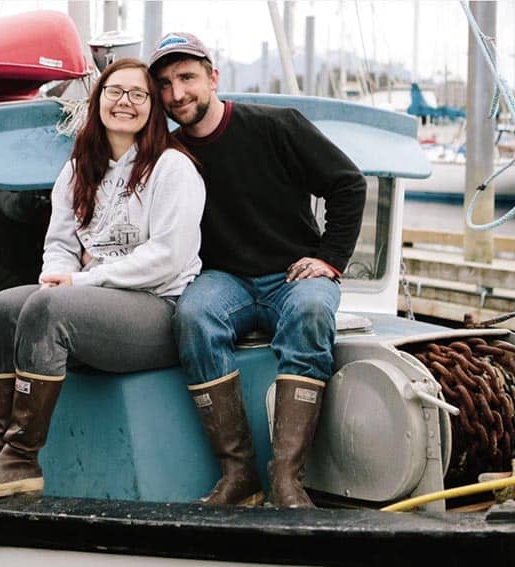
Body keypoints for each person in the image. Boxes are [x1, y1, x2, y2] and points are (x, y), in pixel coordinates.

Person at [0, 58, 205, 498]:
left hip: (156, 310)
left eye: (138, 94)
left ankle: (22, 461)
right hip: (93, 301)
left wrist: (81, 284)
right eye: (115, 92)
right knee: (1, 309)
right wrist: (59, 275)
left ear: (153, 106)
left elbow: (167, 258)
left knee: (49, 307)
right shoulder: (79, 168)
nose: (124, 102)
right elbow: (59, 242)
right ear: (98, 101)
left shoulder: (173, 168)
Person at [149, 33, 367, 508]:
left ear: (213, 77)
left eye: (186, 77)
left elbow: (348, 184)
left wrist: (330, 257)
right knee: (194, 316)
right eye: (164, 84)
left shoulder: (276, 126)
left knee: (311, 311)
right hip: (223, 279)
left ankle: (287, 478)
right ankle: (239, 474)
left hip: (292, 275)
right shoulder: (168, 155)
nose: (176, 93)